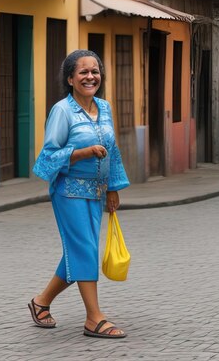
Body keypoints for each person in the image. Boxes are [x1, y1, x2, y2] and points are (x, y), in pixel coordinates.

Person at [28, 49, 130, 339]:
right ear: (70, 78)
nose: (90, 76)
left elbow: (113, 151)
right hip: (68, 192)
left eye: (95, 71)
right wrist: (81, 152)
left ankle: (41, 302)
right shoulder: (62, 110)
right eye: (83, 72)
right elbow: (47, 158)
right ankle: (94, 318)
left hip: (96, 192)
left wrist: (112, 187)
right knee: (84, 249)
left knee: (78, 252)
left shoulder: (105, 107)